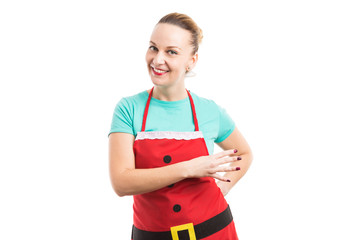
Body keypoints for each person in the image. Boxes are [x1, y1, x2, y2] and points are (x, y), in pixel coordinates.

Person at [108, 12, 253, 240]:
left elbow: (244, 153)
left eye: (171, 52)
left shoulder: (209, 110)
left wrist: (222, 188)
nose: (157, 60)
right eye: (153, 47)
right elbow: (121, 182)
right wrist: (188, 169)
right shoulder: (129, 109)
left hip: (214, 230)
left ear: (191, 60)